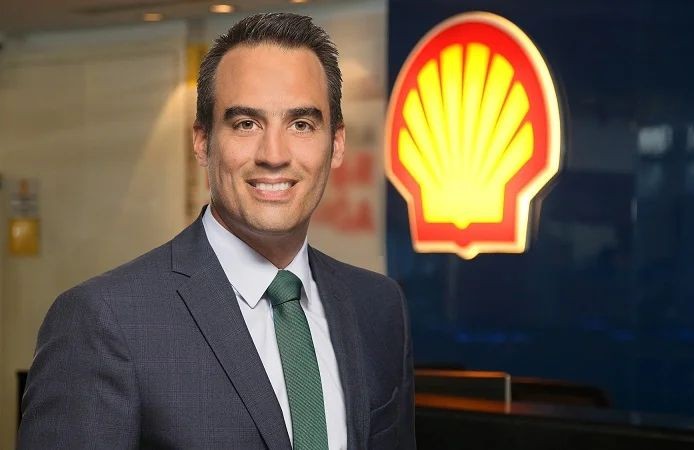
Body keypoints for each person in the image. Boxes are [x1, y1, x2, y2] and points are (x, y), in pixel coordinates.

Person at [18, 12, 415, 450]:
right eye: (246, 124)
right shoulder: (104, 321)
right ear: (202, 142)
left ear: (336, 143)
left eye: (301, 124)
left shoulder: (378, 308)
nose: (274, 154)